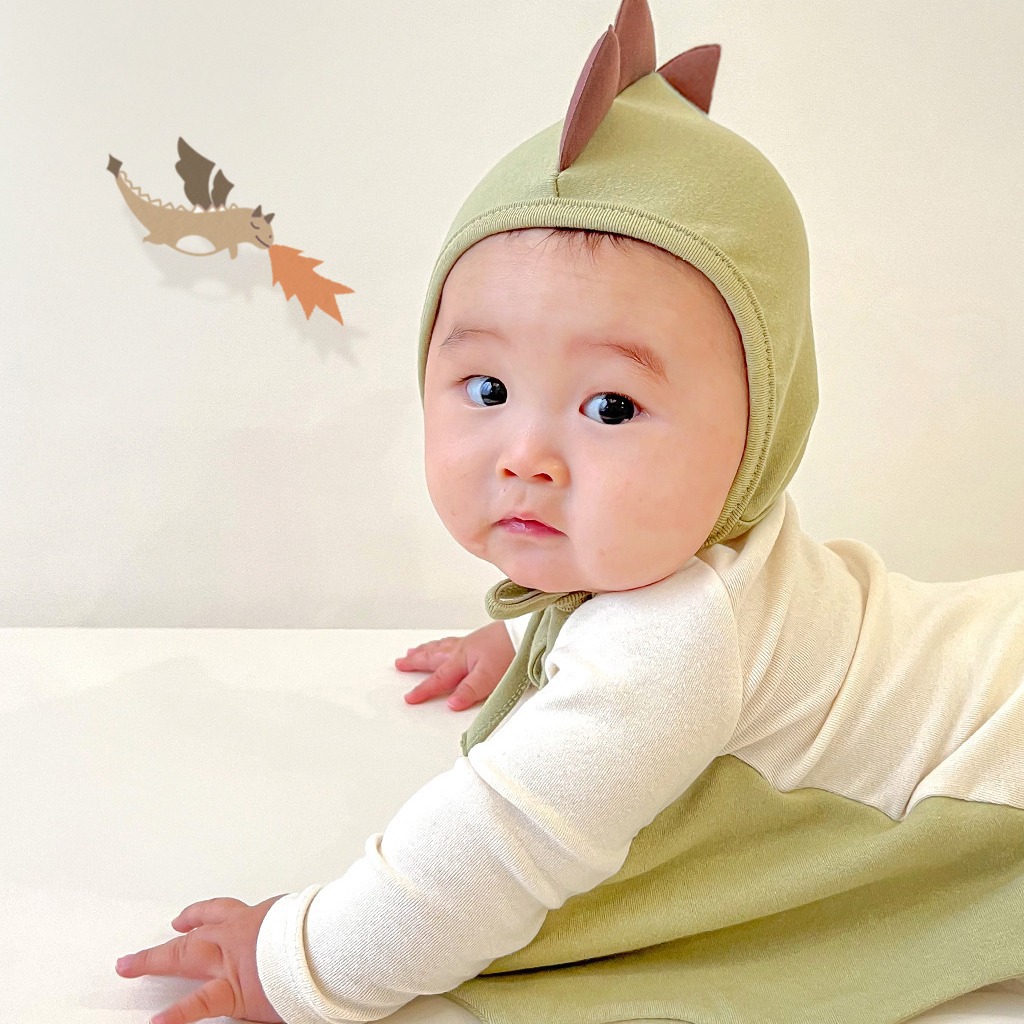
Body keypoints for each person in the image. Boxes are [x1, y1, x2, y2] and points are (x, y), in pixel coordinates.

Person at [112, 1, 1024, 1022]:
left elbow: (488, 850)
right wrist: (527, 636)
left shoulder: (675, 648)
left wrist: (295, 962)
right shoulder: (686, 573)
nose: (528, 458)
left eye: (611, 408)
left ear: (760, 432)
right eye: (487, 389)